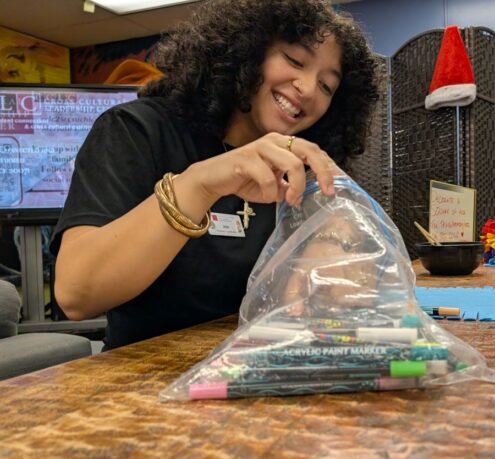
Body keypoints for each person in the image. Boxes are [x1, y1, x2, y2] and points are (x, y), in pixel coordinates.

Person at [50, 0, 378, 350]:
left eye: (326, 86)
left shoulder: (302, 170)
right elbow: (76, 295)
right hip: (147, 375)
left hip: (259, 365)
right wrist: (200, 185)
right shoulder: (136, 131)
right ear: (249, 50)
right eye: (295, 60)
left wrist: (336, 242)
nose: (309, 89)